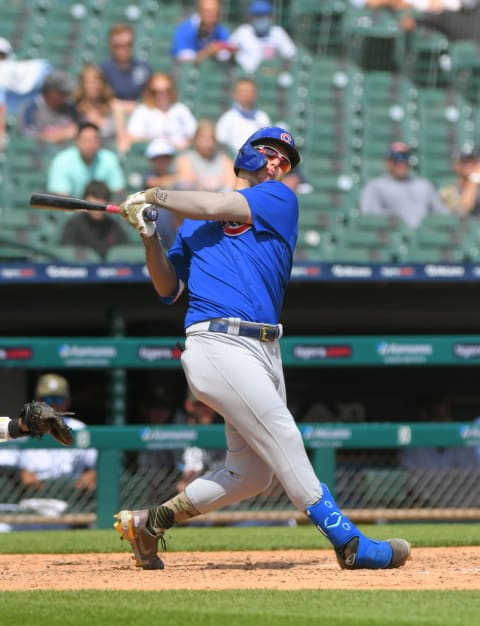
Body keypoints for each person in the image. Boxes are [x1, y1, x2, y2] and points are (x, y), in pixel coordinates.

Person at [113, 125, 411, 571]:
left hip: (265, 347)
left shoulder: (278, 199)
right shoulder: (193, 223)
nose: (278, 163)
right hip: (216, 342)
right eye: (270, 152)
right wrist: (149, 236)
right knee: (283, 431)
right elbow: (167, 287)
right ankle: (348, 541)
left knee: (251, 475)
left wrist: (155, 194)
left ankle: (149, 524)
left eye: (285, 160)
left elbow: (218, 204)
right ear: (245, 153)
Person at [0, 374, 96, 495]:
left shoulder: (80, 428)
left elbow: (99, 463)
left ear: (68, 401)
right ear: (37, 400)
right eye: (47, 399)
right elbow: (3, 462)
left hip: (72, 494)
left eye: (59, 399)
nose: (53, 404)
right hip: (30, 494)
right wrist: (19, 472)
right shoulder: (21, 426)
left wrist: (93, 474)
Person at [359, 141, 448, 229]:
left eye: (405, 157)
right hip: (391, 238)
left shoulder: (424, 185)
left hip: (424, 237)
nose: (401, 162)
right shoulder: (375, 187)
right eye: (396, 157)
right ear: (387, 161)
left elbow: (441, 215)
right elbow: (371, 220)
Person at [46, 121, 126, 199]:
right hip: (71, 211)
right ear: (77, 141)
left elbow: (118, 192)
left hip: (102, 210)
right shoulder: (62, 161)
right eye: (86, 140)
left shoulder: (109, 159)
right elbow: (60, 198)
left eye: (94, 140)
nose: (90, 145)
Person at [126, 72, 197, 151]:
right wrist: (163, 142)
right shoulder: (143, 111)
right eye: (156, 91)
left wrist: (184, 145)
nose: (162, 95)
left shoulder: (181, 109)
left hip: (179, 154)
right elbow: (133, 137)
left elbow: (194, 135)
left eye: (166, 90)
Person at [60, 180, 129, 259]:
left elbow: (124, 253)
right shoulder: (73, 225)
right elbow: (68, 255)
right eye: (95, 199)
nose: (99, 205)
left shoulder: (114, 226)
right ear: (85, 201)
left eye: (103, 200)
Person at [229, 1, 297, 76]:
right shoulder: (243, 32)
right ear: (251, 18)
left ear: (271, 17)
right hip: (244, 77)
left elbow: (290, 55)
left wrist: (277, 70)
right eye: (258, 16)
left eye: (264, 16)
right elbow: (227, 52)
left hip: (269, 78)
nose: (261, 19)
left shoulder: (277, 33)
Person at [175, 389, 224, 493]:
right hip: (190, 492)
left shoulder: (228, 429)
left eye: (210, 404)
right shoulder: (178, 430)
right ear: (189, 406)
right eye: (201, 404)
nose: (206, 409)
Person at [74, 63, 129, 154]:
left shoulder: (114, 107)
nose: (92, 86)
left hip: (109, 155)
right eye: (88, 82)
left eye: (95, 81)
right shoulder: (76, 108)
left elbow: (122, 138)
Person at [98, 23, 152, 114]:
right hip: (109, 115)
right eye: (118, 45)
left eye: (128, 44)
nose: (124, 48)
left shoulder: (144, 69)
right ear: (111, 45)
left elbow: (150, 97)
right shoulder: (102, 70)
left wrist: (137, 106)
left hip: (139, 115)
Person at [17, 70, 80, 145]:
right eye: (63, 93)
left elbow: (82, 128)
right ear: (51, 92)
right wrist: (62, 135)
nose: (67, 97)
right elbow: (28, 137)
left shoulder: (70, 108)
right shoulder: (29, 109)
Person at [175, 118, 236, 192]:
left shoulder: (224, 160)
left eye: (212, 138)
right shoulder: (185, 159)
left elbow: (231, 185)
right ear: (195, 139)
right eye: (204, 137)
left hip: (220, 201)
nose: (208, 142)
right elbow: (188, 185)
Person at [215, 77, 272, 154]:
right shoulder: (227, 118)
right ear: (235, 94)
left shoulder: (262, 118)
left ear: (255, 94)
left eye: (249, 91)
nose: (246, 94)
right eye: (242, 91)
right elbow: (221, 144)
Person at [170, 0, 234, 64]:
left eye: (215, 12)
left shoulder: (221, 31)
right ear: (199, 11)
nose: (211, 16)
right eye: (208, 12)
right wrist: (208, 51)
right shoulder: (185, 30)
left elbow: (225, 56)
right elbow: (186, 62)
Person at [439, 146, 480, 216]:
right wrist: (474, 178)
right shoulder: (447, 191)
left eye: (473, 161)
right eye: (465, 162)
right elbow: (463, 210)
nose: (470, 165)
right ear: (456, 165)